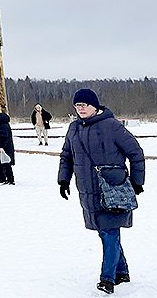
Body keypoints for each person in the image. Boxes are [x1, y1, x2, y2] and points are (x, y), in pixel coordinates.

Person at [59, 89, 145, 295]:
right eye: (77, 106)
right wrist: (63, 179)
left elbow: (136, 153)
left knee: (109, 233)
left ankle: (107, 279)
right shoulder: (73, 129)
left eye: (84, 105)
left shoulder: (112, 126)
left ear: (95, 106)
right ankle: (122, 271)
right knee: (106, 232)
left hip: (112, 189)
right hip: (88, 191)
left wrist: (137, 181)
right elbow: (66, 156)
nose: (80, 109)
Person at [0, 113, 16, 185]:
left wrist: (1, 146)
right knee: (0, 164)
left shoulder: (3, 126)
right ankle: (3, 178)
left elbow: (3, 137)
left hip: (4, 149)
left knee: (6, 164)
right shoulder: (1, 126)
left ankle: (9, 179)